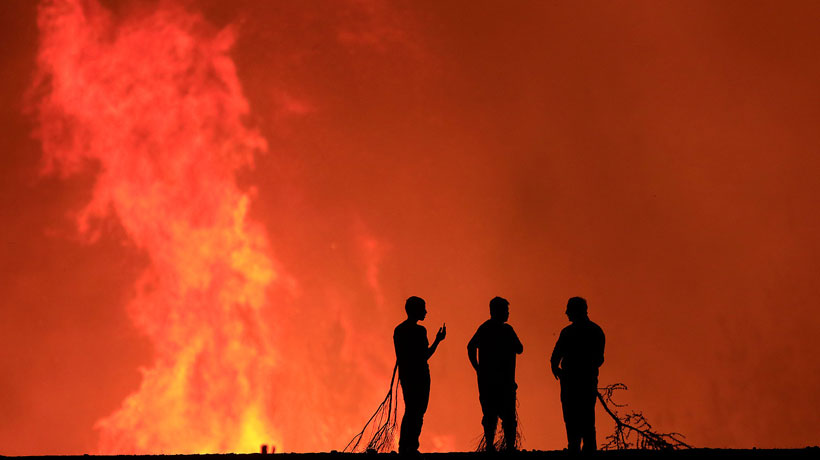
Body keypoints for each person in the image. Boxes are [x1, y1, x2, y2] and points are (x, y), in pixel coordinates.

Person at [550, 296, 605, 454]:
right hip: (583, 381)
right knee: (585, 416)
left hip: (573, 381)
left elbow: (555, 356)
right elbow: (599, 359)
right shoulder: (595, 331)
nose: (566, 313)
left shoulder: (569, 332)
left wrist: (558, 369)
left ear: (576, 311)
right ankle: (584, 449)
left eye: (569, 309)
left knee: (574, 416)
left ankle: (577, 448)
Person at [467, 296, 523, 452]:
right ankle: (510, 447)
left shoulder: (484, 328)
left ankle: (491, 446)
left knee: (490, 415)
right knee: (508, 417)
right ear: (497, 311)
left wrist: (477, 368)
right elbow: (520, 348)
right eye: (506, 310)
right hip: (504, 382)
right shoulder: (507, 330)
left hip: (487, 382)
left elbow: (470, 347)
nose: (507, 314)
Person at [393, 296, 446, 455]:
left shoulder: (399, 330)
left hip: (406, 375)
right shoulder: (419, 331)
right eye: (423, 308)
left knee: (411, 409)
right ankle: (410, 446)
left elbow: (401, 356)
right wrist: (438, 341)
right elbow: (424, 355)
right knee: (417, 411)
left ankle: (405, 446)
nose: (426, 312)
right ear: (415, 310)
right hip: (420, 375)